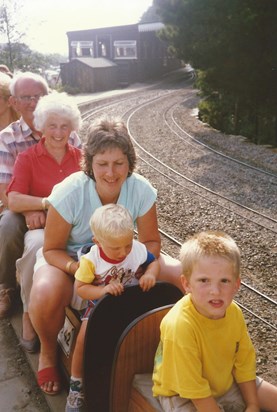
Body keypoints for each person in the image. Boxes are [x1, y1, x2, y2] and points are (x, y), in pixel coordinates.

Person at [29, 116, 182, 396]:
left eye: (119, 163)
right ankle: (48, 352)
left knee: (180, 274)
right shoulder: (69, 193)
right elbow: (51, 249)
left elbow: (150, 241)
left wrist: (140, 267)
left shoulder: (140, 189)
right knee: (46, 290)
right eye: (102, 164)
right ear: (89, 163)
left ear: (129, 162)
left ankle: (179, 345)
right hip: (71, 259)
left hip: (121, 255)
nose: (111, 173)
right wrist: (79, 268)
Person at [152, 231, 277, 412]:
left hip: (223, 381)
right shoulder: (180, 325)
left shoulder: (234, 312)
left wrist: (253, 404)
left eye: (224, 281)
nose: (215, 291)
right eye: (204, 280)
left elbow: (244, 362)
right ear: (186, 284)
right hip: (182, 393)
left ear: (236, 284)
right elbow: (194, 389)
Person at [0, 71, 81, 318]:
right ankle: (5, 286)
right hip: (22, 206)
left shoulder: (70, 136)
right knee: (8, 226)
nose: (33, 102)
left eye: (39, 96)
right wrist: (32, 209)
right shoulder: (8, 139)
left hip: (62, 209)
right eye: (26, 97)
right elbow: (7, 194)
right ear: (14, 102)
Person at [65, 203, 159, 411]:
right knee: (83, 337)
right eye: (116, 248)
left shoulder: (135, 249)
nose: (123, 252)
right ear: (97, 242)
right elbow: (81, 288)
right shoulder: (91, 261)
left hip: (132, 299)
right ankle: (76, 386)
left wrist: (151, 273)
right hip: (100, 305)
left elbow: (152, 261)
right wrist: (103, 291)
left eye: (127, 244)